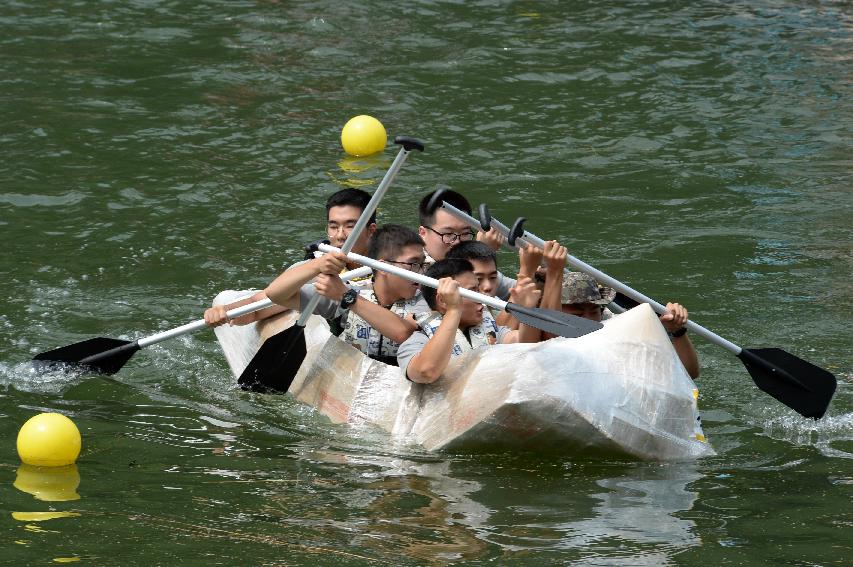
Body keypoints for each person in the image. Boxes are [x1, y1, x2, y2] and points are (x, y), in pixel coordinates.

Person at [204, 187, 376, 328]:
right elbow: (258, 307)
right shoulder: (313, 271)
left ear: (371, 230)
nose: (340, 235)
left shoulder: (393, 260)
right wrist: (225, 311)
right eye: (333, 226)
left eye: (350, 226)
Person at [263, 224, 429, 365]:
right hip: (349, 378)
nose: (421, 273)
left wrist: (346, 296)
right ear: (382, 267)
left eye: (422, 264)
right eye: (414, 264)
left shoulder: (427, 300)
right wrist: (317, 265)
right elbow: (276, 294)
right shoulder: (346, 293)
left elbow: (403, 333)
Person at [396, 258, 542, 384]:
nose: (481, 298)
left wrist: (528, 313)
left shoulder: (490, 328)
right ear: (443, 301)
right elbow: (426, 372)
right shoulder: (416, 342)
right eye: (472, 292)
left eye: (478, 290)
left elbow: (527, 347)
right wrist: (453, 309)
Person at [558, 271, 701, 379]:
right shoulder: (542, 331)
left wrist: (677, 331)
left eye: (594, 311)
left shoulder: (617, 328)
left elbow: (689, 374)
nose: (589, 320)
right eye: (578, 315)